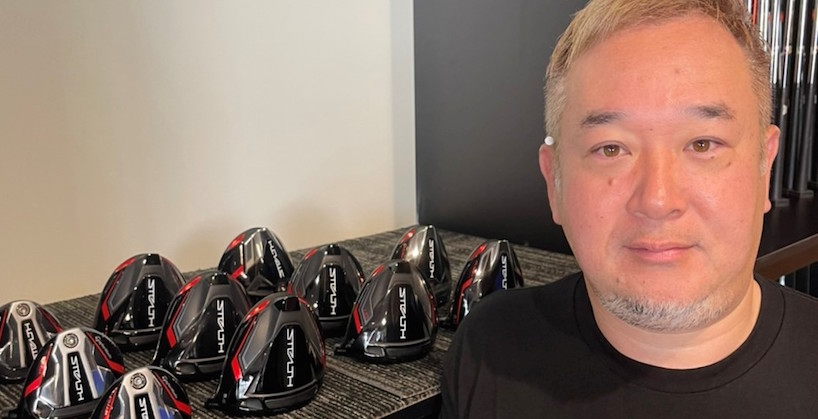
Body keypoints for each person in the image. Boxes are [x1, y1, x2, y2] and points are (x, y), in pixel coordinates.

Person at [440, 0, 818, 417]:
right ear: (554, 182)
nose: (657, 200)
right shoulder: (491, 350)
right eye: (611, 149)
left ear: (765, 167)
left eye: (702, 144)